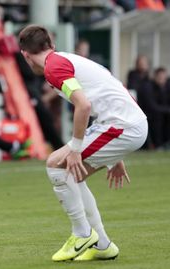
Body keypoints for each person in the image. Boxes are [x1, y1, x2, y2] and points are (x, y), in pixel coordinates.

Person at [18, 25, 147, 261]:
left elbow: (84, 105)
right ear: (51, 46)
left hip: (122, 126)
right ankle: (103, 245)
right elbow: (106, 96)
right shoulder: (63, 59)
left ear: (25, 55)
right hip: (124, 124)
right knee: (71, 176)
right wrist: (113, 156)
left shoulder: (53, 68)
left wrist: (76, 149)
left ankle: (82, 234)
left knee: (56, 163)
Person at [137, 67, 170, 148]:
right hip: (147, 114)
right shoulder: (147, 87)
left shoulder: (165, 88)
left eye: (164, 78)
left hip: (159, 113)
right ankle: (158, 144)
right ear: (155, 77)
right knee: (158, 118)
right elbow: (151, 107)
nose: (162, 80)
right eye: (160, 77)